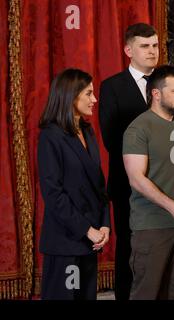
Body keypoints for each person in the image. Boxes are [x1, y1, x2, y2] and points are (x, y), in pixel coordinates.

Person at [122, 65, 174, 300]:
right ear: (156, 94)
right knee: (147, 294)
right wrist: (173, 207)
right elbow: (136, 178)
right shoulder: (138, 128)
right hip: (151, 227)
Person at [38, 68, 111, 300]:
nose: (95, 99)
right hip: (65, 243)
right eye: (89, 94)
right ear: (71, 96)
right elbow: (53, 194)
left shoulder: (87, 131)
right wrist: (87, 230)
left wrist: (104, 225)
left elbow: (99, 185)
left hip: (90, 242)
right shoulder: (51, 136)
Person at [98, 23, 159, 300]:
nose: (152, 51)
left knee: (161, 247)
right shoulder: (112, 86)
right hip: (127, 184)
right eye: (145, 46)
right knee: (129, 249)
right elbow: (111, 140)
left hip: (165, 182)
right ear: (128, 50)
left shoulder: (167, 82)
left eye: (155, 46)